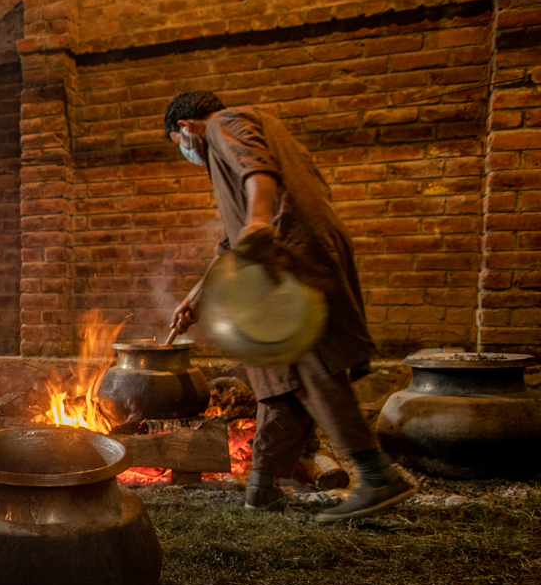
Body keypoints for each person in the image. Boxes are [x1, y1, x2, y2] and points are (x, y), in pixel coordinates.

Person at [163, 91, 414, 522]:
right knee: (275, 367)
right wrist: (199, 294)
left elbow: (258, 173)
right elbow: (232, 238)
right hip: (279, 251)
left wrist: (260, 220)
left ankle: (376, 476)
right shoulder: (263, 129)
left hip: (288, 252)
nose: (190, 154)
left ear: (185, 128)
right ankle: (264, 482)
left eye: (179, 145)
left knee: (306, 360)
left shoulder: (224, 125)